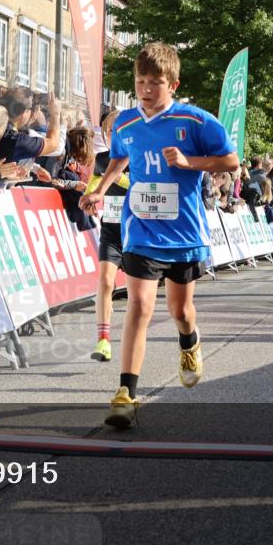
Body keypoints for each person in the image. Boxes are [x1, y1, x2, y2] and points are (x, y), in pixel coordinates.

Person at [79, 42, 239, 428]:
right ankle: (125, 394)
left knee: (180, 311)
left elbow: (232, 161)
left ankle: (189, 340)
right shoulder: (126, 123)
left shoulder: (197, 122)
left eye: (156, 82)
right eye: (140, 81)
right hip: (142, 229)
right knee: (140, 306)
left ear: (174, 83)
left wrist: (190, 163)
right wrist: (100, 190)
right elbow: (119, 156)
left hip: (183, 232)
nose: (146, 89)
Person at [88, 109, 127, 363]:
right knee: (105, 281)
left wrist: (115, 177)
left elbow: (137, 186)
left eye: (121, 130)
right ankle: (103, 340)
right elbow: (92, 183)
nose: (116, 135)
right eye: (111, 131)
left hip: (139, 232)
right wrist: (89, 197)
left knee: (138, 294)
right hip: (111, 228)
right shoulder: (101, 159)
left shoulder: (139, 158)